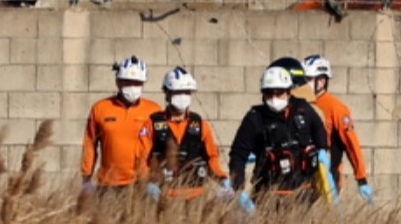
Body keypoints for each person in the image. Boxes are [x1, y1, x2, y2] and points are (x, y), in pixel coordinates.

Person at [229, 64, 333, 204]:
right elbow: (238, 154)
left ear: (289, 92)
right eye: (269, 93)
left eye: (279, 93)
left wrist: (322, 150)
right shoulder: (254, 118)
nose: (274, 98)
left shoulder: (303, 110)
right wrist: (237, 188)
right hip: (267, 196)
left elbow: (319, 129)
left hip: (305, 194)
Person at [82, 55, 161, 194]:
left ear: (143, 84)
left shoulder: (154, 110)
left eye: (137, 83)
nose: (132, 87)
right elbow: (90, 145)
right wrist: (86, 178)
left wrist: (157, 179)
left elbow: (163, 146)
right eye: (127, 82)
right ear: (118, 82)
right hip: (108, 184)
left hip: (142, 184)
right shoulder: (100, 108)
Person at [149, 66, 228, 199]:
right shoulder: (153, 123)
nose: (182, 96)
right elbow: (142, 157)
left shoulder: (201, 125)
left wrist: (223, 179)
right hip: (164, 195)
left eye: (186, 92)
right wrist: (147, 182)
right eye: (177, 92)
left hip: (196, 196)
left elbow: (212, 157)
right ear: (167, 93)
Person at [302, 54, 372, 201]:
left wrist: (361, 179)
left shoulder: (336, 108)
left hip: (327, 180)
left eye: (308, 79)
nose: (304, 83)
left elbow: (351, 144)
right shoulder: (300, 104)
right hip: (301, 177)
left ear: (321, 81)